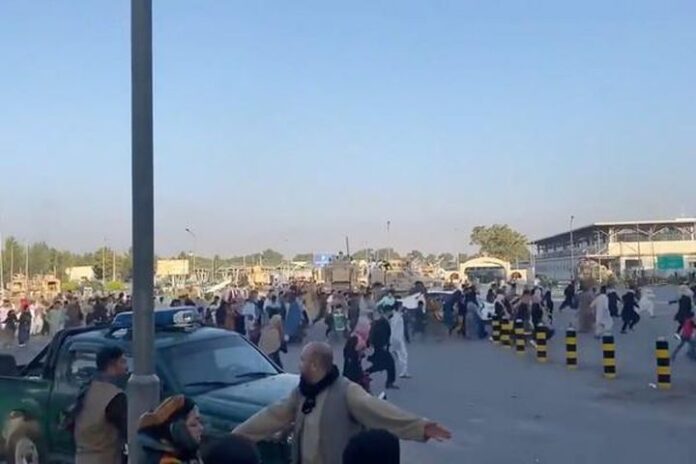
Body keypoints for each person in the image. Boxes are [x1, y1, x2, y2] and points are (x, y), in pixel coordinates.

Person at [232, 342, 451, 464]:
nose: (298, 365)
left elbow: (379, 411)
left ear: (315, 365)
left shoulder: (346, 391)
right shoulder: (302, 392)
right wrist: (237, 437)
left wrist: (420, 427)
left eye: (302, 360)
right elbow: (273, 415)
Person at [73, 346, 128, 464]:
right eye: (122, 362)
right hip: (105, 458)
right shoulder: (114, 396)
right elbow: (129, 430)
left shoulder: (87, 388)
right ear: (112, 365)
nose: (126, 367)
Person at [138, 395, 204, 464]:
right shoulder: (165, 461)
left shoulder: (186, 455)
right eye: (193, 424)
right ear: (176, 431)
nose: (201, 428)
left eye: (200, 422)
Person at [367, 312, 398, 389]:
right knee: (388, 364)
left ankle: (364, 374)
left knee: (382, 365)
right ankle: (389, 382)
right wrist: (384, 345)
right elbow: (380, 335)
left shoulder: (380, 322)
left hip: (380, 347)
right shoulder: (382, 323)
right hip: (381, 347)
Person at [389, 304, 410, 379]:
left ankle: (403, 371)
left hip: (397, 338)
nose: (402, 307)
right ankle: (403, 372)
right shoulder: (396, 317)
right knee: (403, 354)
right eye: (401, 306)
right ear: (398, 307)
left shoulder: (397, 315)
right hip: (397, 338)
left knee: (400, 355)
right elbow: (393, 328)